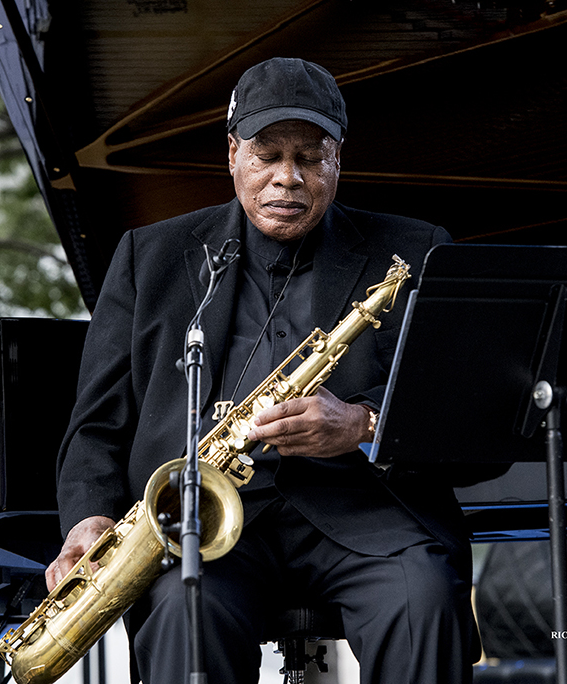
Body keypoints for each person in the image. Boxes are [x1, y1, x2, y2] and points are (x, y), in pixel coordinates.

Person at [47, 57, 478, 684]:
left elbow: (465, 415)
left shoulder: (413, 250)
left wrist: (361, 423)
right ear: (232, 154)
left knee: (423, 600)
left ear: (339, 160)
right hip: (203, 526)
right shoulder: (151, 257)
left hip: (366, 515)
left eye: (310, 157)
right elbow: (96, 424)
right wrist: (88, 519)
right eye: (267, 154)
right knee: (181, 615)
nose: (287, 178)